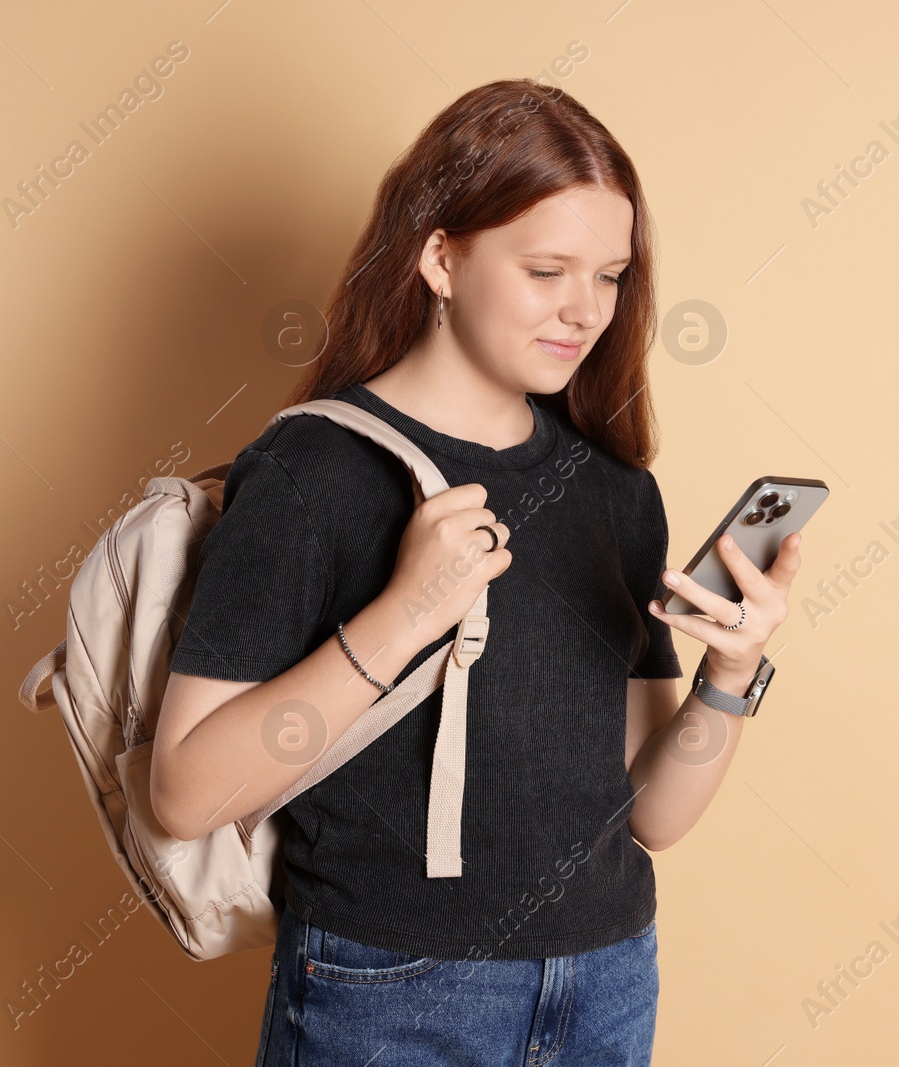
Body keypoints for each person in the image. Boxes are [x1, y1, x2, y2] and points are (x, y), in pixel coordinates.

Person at [150, 77, 801, 1066]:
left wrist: (730, 676)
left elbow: (653, 815)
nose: (584, 311)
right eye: (546, 270)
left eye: (611, 275)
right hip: (387, 991)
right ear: (440, 258)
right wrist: (406, 612)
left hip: (608, 978)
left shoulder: (614, 490)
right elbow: (185, 792)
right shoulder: (312, 472)